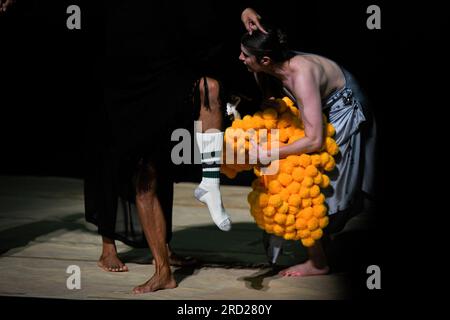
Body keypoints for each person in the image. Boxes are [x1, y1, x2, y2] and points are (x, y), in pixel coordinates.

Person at [238, 26, 376, 276]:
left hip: (344, 109)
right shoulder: (270, 63)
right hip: (320, 108)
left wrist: (271, 152)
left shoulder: (301, 76)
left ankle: (318, 262)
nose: (241, 58)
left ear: (265, 60)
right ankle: (320, 249)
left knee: (310, 183)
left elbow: (314, 140)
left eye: (245, 55)